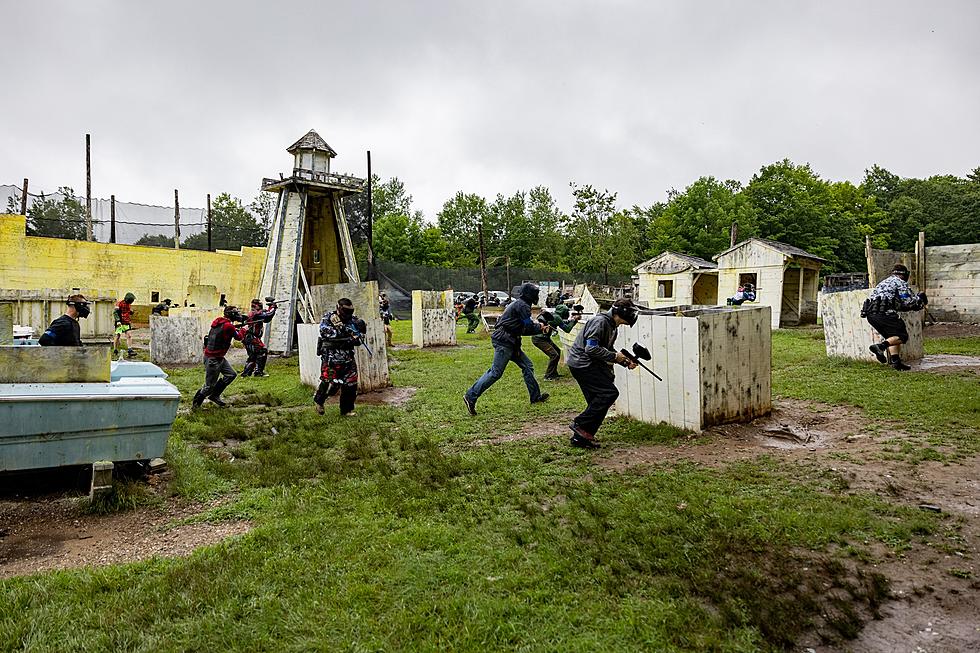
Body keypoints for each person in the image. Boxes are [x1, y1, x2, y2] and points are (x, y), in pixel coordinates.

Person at [463, 283, 550, 416]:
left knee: (527, 366)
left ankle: (535, 397)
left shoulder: (521, 304)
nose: (536, 296)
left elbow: (521, 329)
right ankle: (471, 396)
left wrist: (539, 327)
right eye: (535, 293)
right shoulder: (523, 306)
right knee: (495, 372)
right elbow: (527, 327)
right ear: (530, 294)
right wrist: (540, 327)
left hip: (510, 341)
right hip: (505, 341)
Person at [565, 299, 640, 449]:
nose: (632, 315)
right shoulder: (600, 322)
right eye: (630, 311)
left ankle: (581, 438)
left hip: (587, 363)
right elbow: (591, 349)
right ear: (621, 312)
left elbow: (607, 349)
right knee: (609, 393)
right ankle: (580, 423)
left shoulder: (613, 326)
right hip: (583, 364)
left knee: (596, 402)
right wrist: (615, 357)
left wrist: (624, 361)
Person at [863, 263, 927, 371]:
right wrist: (920, 299)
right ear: (905, 274)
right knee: (902, 336)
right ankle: (880, 347)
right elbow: (907, 302)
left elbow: (899, 305)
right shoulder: (900, 282)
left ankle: (896, 362)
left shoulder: (883, 283)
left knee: (892, 336)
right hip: (885, 314)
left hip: (871, 315)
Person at [314, 298, 365, 416]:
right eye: (346, 310)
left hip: (348, 358)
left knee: (351, 384)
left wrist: (359, 332)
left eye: (350, 310)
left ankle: (346, 410)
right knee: (330, 384)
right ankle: (319, 401)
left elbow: (360, 338)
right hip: (331, 358)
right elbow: (326, 332)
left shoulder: (353, 320)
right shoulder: (329, 318)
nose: (348, 313)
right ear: (338, 308)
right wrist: (346, 335)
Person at [192, 305, 246, 408]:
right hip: (213, 359)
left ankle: (215, 396)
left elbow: (227, 332)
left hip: (217, 357)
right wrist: (244, 329)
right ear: (231, 315)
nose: (238, 315)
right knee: (209, 386)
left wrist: (237, 328)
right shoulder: (228, 326)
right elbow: (239, 337)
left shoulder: (219, 322)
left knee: (231, 374)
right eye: (236, 313)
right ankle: (195, 405)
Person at [531, 304, 580, 380]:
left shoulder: (555, 315)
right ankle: (548, 376)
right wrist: (574, 320)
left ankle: (553, 373)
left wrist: (571, 320)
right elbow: (567, 329)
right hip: (539, 339)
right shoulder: (557, 317)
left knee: (557, 351)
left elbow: (562, 323)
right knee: (554, 355)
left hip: (543, 338)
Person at [241, 298, 277, 377]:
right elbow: (267, 316)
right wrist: (273, 307)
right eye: (259, 305)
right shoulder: (255, 314)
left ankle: (246, 373)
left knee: (253, 356)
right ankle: (258, 372)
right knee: (262, 351)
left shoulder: (255, 313)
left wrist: (270, 308)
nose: (260, 307)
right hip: (251, 337)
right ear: (255, 306)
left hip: (249, 337)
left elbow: (267, 319)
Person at [113, 292, 138, 357]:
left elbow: (127, 311)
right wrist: (118, 321)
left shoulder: (128, 304)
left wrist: (131, 312)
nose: (131, 302)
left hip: (127, 322)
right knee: (117, 336)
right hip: (120, 323)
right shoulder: (119, 304)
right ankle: (115, 349)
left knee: (129, 335)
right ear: (127, 299)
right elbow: (115, 313)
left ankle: (130, 350)